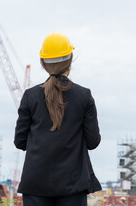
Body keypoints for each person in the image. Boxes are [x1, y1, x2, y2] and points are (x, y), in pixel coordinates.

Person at [14, 32, 101, 206]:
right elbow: (93, 142)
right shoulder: (84, 96)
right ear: (70, 60)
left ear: (43, 63)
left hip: (35, 183)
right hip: (73, 184)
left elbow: (20, 141)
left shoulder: (30, 96)